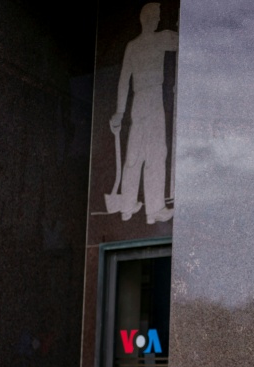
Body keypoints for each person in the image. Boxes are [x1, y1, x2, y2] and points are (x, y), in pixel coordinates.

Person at [109, 3, 177, 224]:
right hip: (151, 99)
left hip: (139, 101)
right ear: (146, 19)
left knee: (136, 154)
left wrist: (120, 111)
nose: (157, 20)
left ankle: (128, 208)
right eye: (155, 17)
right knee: (155, 152)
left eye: (158, 17)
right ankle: (153, 208)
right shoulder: (158, 39)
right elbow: (183, 39)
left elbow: (123, 82)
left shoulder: (133, 46)